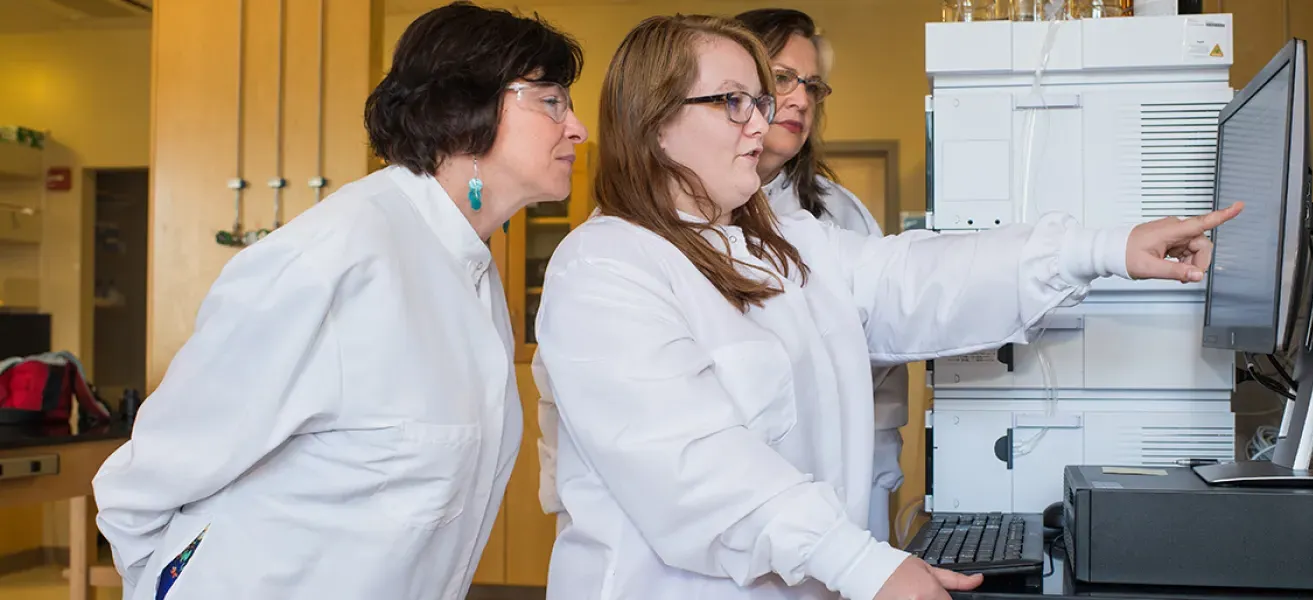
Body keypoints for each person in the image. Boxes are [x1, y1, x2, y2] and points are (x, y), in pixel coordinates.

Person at [531, 12, 1241, 600]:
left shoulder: (782, 243)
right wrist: (861, 563)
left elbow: (920, 274)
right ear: (654, 122)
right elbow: (696, 468)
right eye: (733, 102)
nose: (762, 124)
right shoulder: (607, 268)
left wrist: (1108, 246)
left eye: (762, 101)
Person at [89, 3, 587, 599]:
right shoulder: (336, 257)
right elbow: (151, 478)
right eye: (552, 100)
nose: (577, 126)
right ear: (464, 109)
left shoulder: (466, 267)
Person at [734, 7, 909, 545]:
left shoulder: (839, 212)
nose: (802, 99)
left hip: (846, 480)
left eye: (812, 85)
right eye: (782, 78)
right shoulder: (662, 214)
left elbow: (893, 326)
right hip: (737, 489)